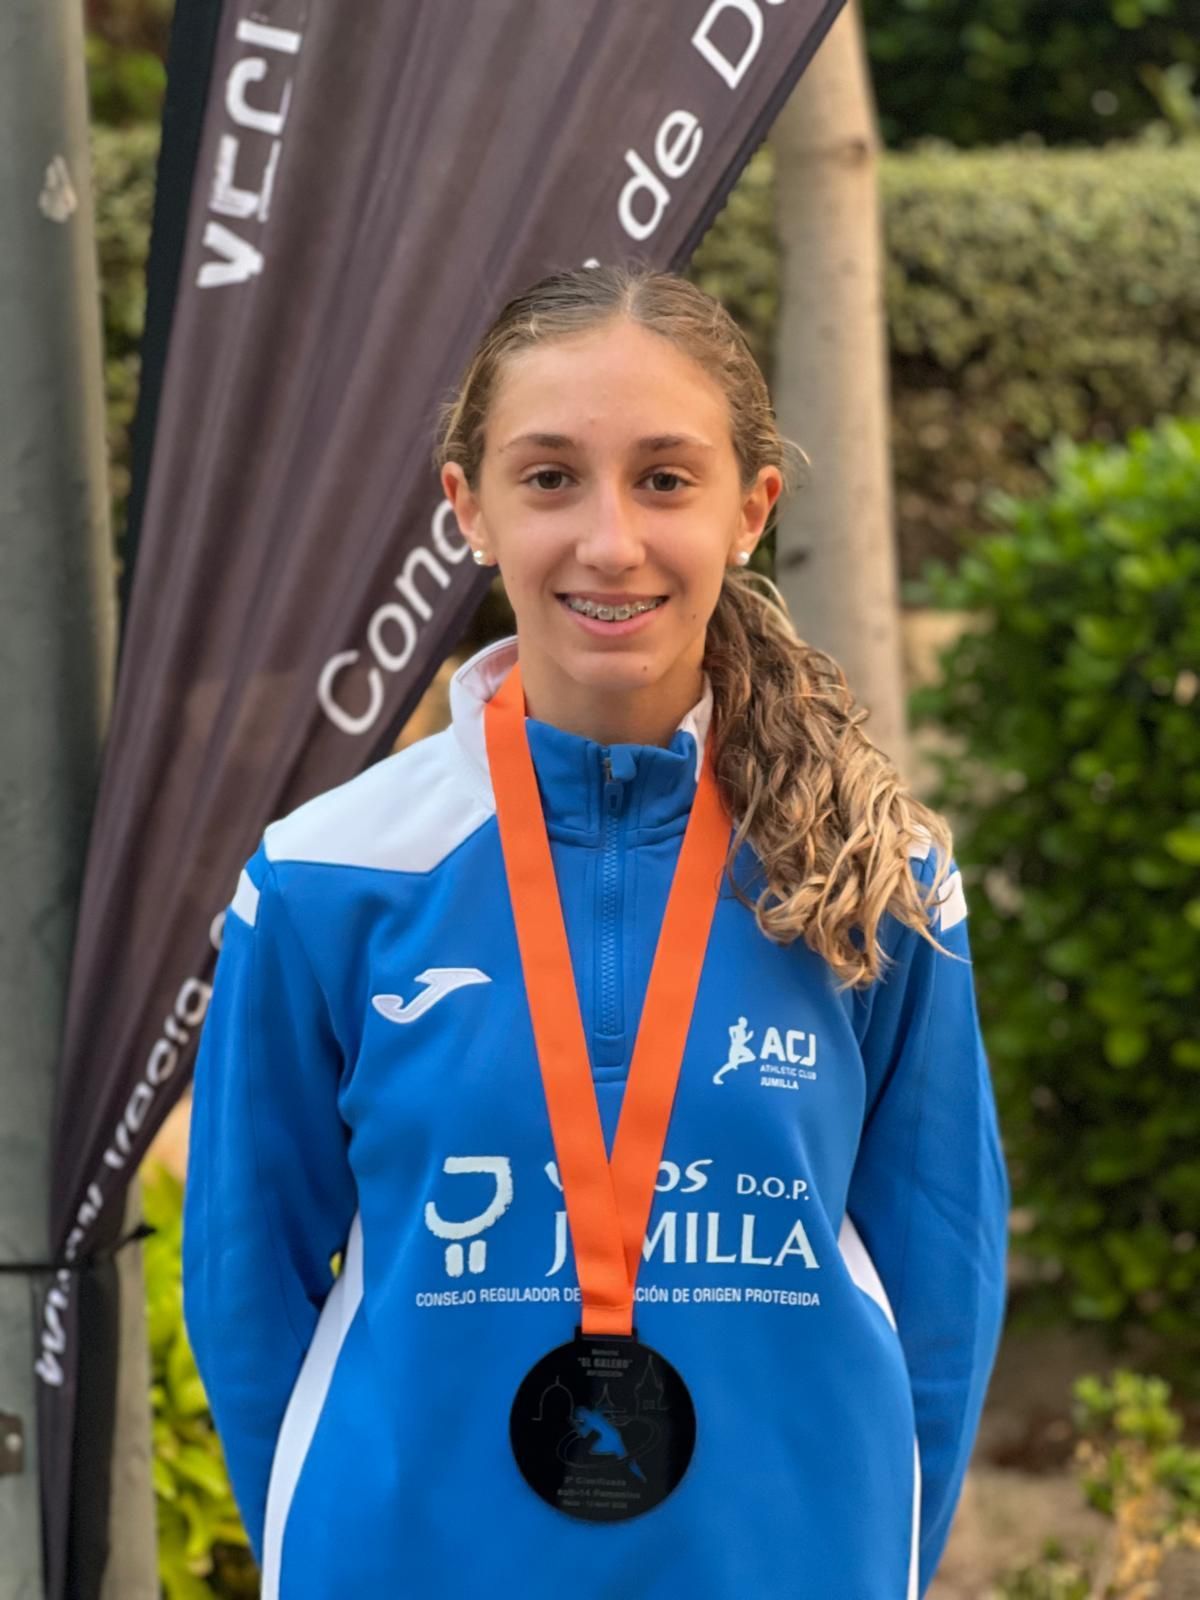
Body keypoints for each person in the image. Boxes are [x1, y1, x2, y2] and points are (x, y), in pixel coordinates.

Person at [182, 261, 1011, 1600]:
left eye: (665, 479)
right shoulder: (327, 878)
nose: (610, 542)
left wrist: (872, 1559)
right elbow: (246, 1285)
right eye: (551, 477)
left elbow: (942, 1278)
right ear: (471, 508)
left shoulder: (874, 875)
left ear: (751, 509)